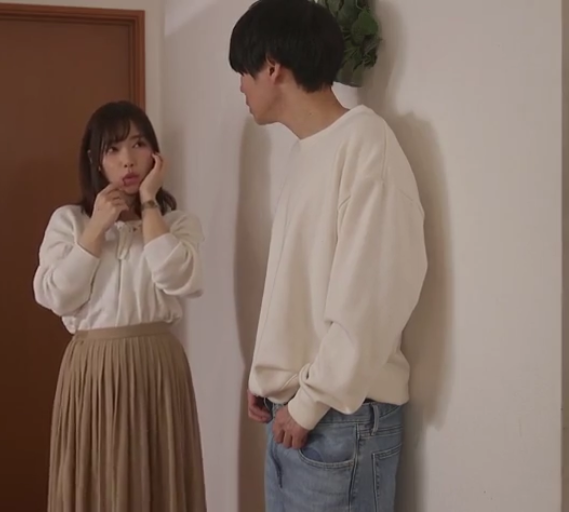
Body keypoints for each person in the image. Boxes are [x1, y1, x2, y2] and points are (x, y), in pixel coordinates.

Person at [228, 0, 428, 510]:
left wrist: (309, 402)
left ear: (272, 66)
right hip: (302, 414)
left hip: (337, 421)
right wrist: (269, 374)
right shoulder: (307, 152)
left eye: (243, 72)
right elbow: (300, 281)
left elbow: (376, 296)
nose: (242, 88)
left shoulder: (365, 143)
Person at [32, 100, 207, 512]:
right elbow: (55, 295)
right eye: (113, 149)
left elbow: (182, 279)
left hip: (157, 368)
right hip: (94, 370)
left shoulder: (176, 222)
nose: (128, 159)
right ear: (96, 160)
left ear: (154, 154)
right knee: (98, 482)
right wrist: (96, 228)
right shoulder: (69, 222)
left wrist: (149, 204)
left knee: (159, 481)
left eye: (138, 144)